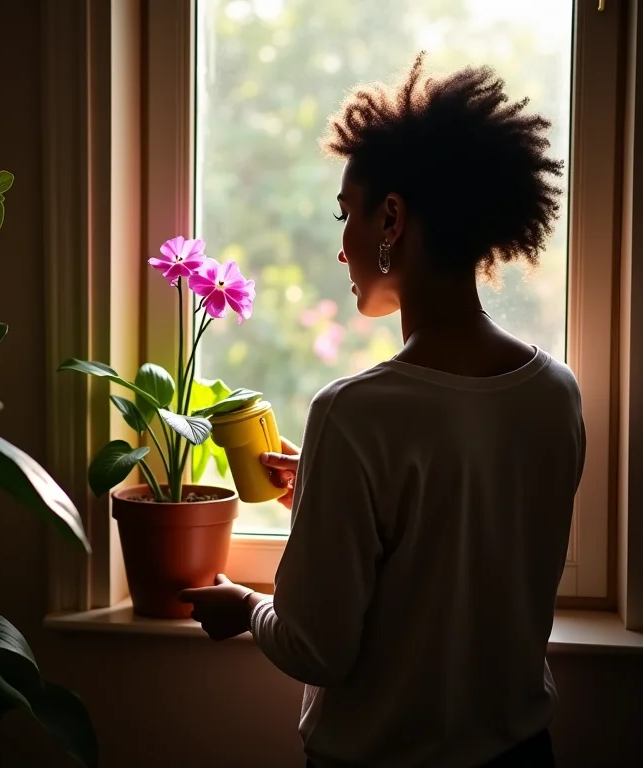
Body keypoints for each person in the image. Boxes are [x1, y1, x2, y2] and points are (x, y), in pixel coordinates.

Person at [180, 54, 585, 767]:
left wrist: (244, 607)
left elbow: (315, 648)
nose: (342, 249)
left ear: (391, 217)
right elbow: (464, 537)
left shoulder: (355, 415)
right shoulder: (556, 393)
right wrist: (334, 490)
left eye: (347, 214)